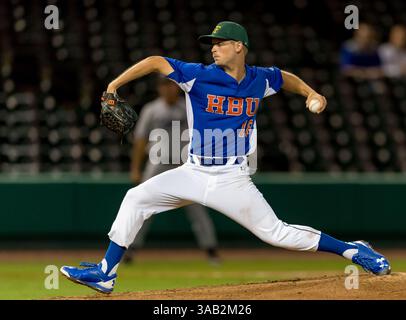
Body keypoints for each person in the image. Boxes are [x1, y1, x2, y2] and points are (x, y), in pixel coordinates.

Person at [60, 21, 391, 294]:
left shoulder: (258, 78)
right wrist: (113, 86)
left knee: (276, 233)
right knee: (136, 197)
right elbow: (156, 61)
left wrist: (311, 92)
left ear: (239, 47)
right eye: (212, 43)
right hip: (191, 172)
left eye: (220, 42)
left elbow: (283, 77)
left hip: (231, 178)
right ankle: (107, 272)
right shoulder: (199, 75)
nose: (213, 47)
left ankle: (352, 248)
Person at [123, 76, 220, 265]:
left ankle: (211, 250)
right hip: (157, 163)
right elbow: (140, 139)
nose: (168, 89)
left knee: (197, 209)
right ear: (159, 88)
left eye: (172, 85)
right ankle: (129, 249)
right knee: (141, 205)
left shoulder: (188, 107)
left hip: (185, 165)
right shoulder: (152, 109)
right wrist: (135, 168)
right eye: (164, 85)